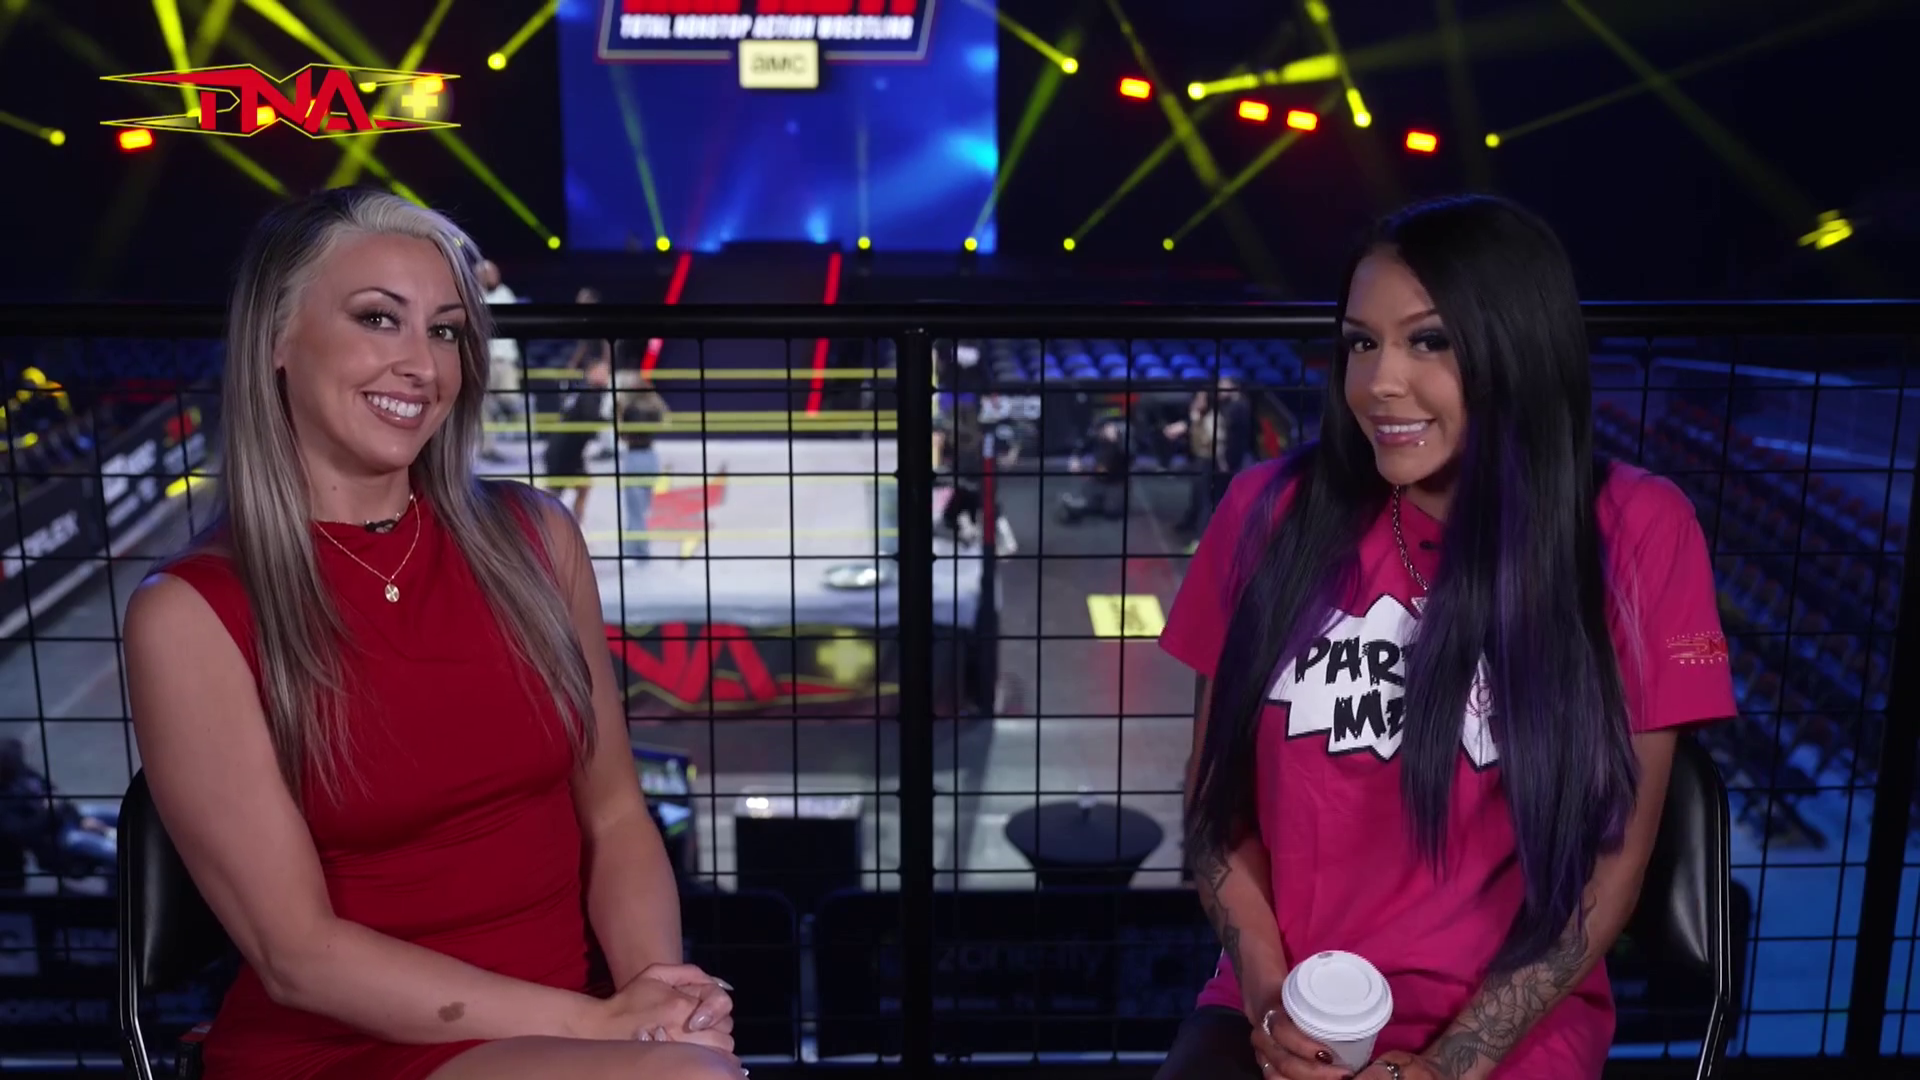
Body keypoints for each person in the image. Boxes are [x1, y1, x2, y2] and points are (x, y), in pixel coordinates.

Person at [121, 189, 743, 1080]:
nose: (422, 365)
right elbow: (297, 955)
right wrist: (606, 1025)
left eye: (446, 331)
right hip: (347, 1052)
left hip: (572, 1029)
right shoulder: (191, 612)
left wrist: (660, 1001)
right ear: (276, 341)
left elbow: (614, 815)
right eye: (379, 319)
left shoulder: (537, 540)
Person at [1155, 196, 1736, 1080]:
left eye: (1428, 341)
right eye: (1360, 343)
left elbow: (1612, 868)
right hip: (1287, 1006)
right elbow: (1211, 814)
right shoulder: (1266, 511)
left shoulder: (1637, 530)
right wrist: (1274, 1003)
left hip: (1513, 1031)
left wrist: (1449, 1063)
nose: (1378, 383)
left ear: (1517, 346)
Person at [546, 356, 612, 521]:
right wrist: (611, 420)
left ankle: (574, 524)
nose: (605, 375)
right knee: (555, 493)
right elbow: (591, 419)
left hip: (571, 450)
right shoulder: (588, 394)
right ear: (590, 373)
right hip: (563, 451)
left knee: (582, 487)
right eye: (601, 371)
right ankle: (545, 522)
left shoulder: (589, 393)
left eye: (606, 372)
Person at [615, 376, 670, 559]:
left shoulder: (630, 411)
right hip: (651, 459)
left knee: (635, 511)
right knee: (641, 509)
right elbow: (664, 417)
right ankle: (637, 548)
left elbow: (623, 435)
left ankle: (637, 550)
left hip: (635, 459)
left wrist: (620, 410)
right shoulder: (654, 410)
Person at [473, 258, 521, 463]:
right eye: (486, 274)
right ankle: (487, 448)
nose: (492, 276)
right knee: (482, 407)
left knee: (510, 399)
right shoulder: (473, 294)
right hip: (484, 360)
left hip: (505, 359)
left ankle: (503, 412)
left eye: (493, 273)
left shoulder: (505, 294)